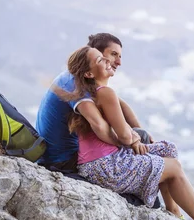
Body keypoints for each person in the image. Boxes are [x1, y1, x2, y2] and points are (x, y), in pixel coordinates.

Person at [63, 45, 194, 220]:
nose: (108, 61)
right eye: (100, 60)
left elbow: (120, 130)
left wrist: (133, 138)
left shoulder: (93, 92)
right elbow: (123, 134)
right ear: (88, 73)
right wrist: (135, 140)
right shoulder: (104, 93)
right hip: (106, 167)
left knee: (168, 149)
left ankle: (174, 212)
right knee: (173, 167)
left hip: (99, 164)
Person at [35, 33, 161, 207]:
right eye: (112, 55)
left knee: (140, 138)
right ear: (97, 54)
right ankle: (150, 204)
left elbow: (119, 103)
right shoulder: (74, 83)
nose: (117, 62)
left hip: (61, 154)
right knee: (137, 144)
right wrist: (129, 140)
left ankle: (151, 199)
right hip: (61, 160)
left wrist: (139, 132)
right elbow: (99, 126)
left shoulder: (80, 77)